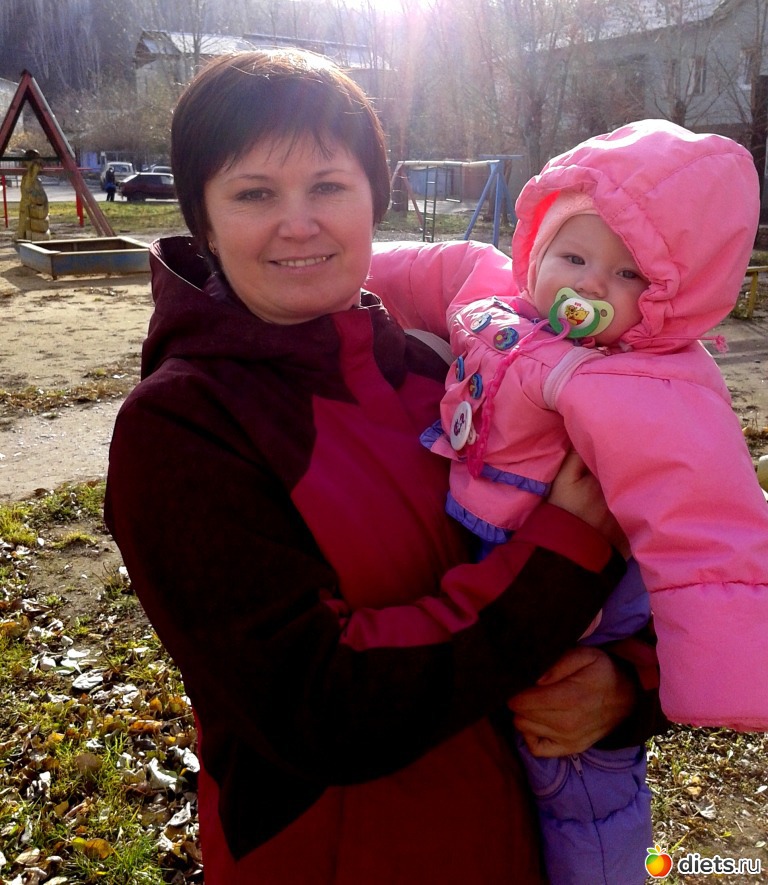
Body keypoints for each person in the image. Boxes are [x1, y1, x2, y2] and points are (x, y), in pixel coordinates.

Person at [105, 51, 664, 884]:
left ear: (377, 197)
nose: (299, 223)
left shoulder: (450, 370)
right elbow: (320, 707)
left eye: (329, 185)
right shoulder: (182, 429)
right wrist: (564, 559)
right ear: (205, 222)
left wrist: (624, 688)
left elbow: (660, 578)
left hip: (523, 842)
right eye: (254, 193)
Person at [366, 120, 768, 882]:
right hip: (496, 545)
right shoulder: (496, 297)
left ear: (673, 294)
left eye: (628, 274)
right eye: (574, 257)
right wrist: (355, 274)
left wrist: (728, 669)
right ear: (538, 248)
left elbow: (705, 521)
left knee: (576, 774)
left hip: (590, 591)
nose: (589, 286)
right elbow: (430, 270)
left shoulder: (646, 381)